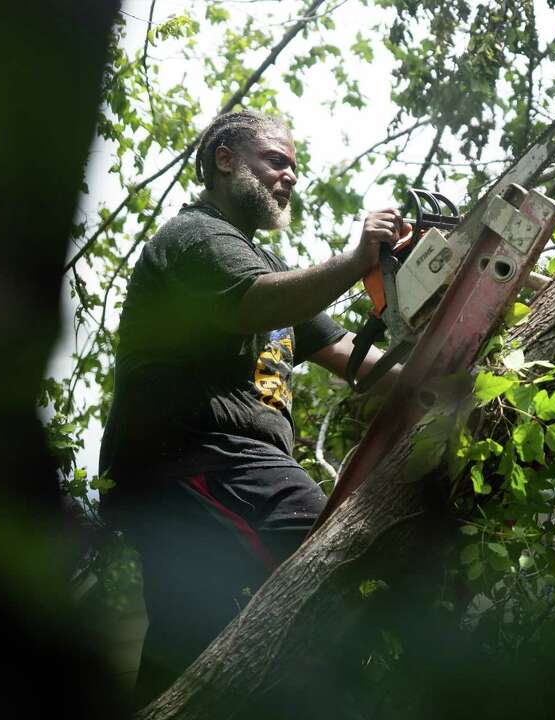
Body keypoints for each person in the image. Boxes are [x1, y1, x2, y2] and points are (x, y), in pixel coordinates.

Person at [98, 109, 408, 706]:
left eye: (294, 167)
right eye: (276, 161)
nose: (288, 176)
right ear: (225, 160)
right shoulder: (196, 237)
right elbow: (251, 303)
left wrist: (446, 365)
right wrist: (354, 262)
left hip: (201, 476)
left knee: (189, 654)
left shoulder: (263, 267)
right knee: (336, 551)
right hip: (201, 459)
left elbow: (352, 357)